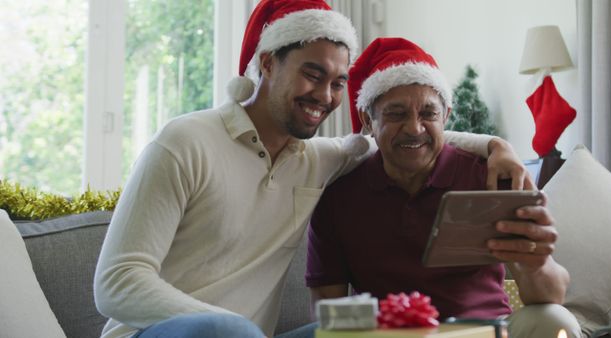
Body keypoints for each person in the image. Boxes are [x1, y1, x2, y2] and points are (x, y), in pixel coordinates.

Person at [94, 1, 532, 338]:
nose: (325, 95)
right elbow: (116, 283)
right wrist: (234, 328)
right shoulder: (185, 141)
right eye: (312, 74)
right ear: (267, 62)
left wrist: (496, 146)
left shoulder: (318, 159)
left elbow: (403, 135)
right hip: (163, 333)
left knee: (374, 334)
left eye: (338, 82)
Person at [306, 37, 581, 338]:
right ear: (367, 120)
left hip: (490, 331)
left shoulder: (490, 178)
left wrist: (536, 265)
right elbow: (328, 307)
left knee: (557, 320)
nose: (414, 128)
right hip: (392, 335)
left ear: (446, 116)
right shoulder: (338, 197)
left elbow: (551, 295)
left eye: (428, 114)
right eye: (396, 114)